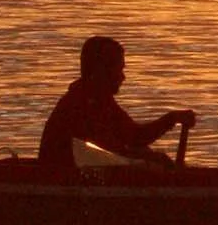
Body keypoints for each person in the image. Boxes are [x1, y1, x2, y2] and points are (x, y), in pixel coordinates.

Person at [37, 35, 197, 181]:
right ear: (101, 71)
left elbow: (134, 136)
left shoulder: (102, 101)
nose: (123, 77)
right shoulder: (80, 104)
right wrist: (148, 159)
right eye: (118, 70)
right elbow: (114, 150)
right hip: (60, 179)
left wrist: (172, 119)